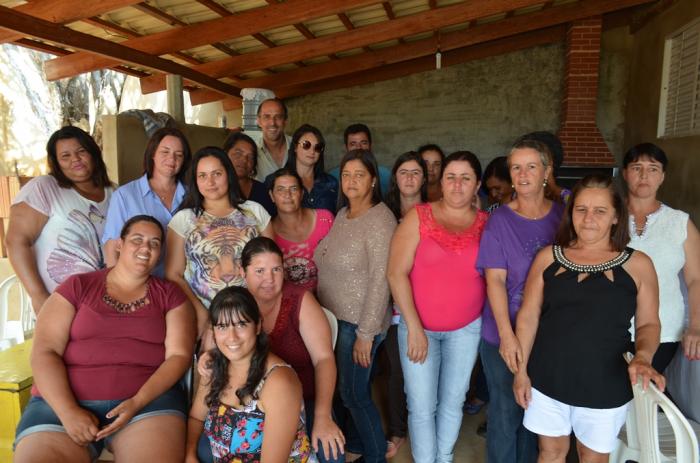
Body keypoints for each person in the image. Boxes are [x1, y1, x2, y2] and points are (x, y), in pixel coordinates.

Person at [14, 215, 195, 462]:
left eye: (154, 243)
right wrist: (68, 412)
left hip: (147, 404)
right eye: (137, 240)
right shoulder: (78, 286)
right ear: (119, 244)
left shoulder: (170, 295)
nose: (145, 248)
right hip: (61, 403)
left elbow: (179, 355)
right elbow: (45, 351)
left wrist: (136, 402)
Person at [514, 175, 664, 462]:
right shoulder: (548, 258)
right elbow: (528, 317)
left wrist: (643, 356)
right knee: (551, 453)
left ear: (616, 216)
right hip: (547, 375)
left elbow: (648, 324)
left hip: (605, 381)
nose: (589, 219)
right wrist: (521, 373)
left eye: (600, 211)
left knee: (592, 456)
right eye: (581, 209)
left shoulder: (638, 265)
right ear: (570, 214)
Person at [388, 151, 488, 462]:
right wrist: (415, 328)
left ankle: (442, 458)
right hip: (419, 329)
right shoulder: (418, 216)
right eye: (451, 177)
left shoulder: (488, 223)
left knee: (453, 401)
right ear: (440, 182)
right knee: (421, 404)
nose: (457, 185)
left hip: (466, 329)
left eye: (466, 178)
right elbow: (396, 272)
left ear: (477, 185)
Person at [476, 137, 565, 463]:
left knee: (537, 416)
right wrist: (507, 336)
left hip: (547, 335)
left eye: (531, 166)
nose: (524, 174)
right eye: (517, 167)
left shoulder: (563, 217)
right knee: (505, 412)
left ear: (546, 171)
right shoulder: (499, 219)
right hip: (502, 332)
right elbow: (495, 280)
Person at [315, 149, 397, 463]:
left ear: (373, 180)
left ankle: (376, 456)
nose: (351, 181)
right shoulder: (342, 215)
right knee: (345, 393)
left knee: (354, 395)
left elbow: (381, 278)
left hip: (358, 325)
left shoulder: (380, 220)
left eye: (359, 175)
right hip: (336, 321)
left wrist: (366, 333)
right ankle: (360, 448)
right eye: (346, 175)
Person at [186, 286, 315, 463]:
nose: (232, 337)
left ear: (258, 325)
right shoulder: (214, 367)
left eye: (241, 324)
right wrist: (190, 455)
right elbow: (196, 418)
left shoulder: (278, 382)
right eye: (222, 326)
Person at [166, 146, 273, 342]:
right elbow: (174, 274)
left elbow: (271, 266)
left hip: (251, 312)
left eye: (217, 174)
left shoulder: (254, 212)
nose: (210, 182)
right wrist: (201, 314)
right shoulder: (184, 219)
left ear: (228, 175)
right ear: (195, 180)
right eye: (203, 176)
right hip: (203, 314)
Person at [7, 126, 113, 314]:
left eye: (81, 151)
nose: (76, 159)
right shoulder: (44, 188)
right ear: (56, 162)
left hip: (107, 302)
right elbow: (16, 241)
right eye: (65, 156)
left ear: (94, 154)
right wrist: (38, 296)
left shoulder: (114, 192)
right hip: (60, 305)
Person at [621, 143, 700, 371]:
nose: (644, 175)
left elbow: (695, 280)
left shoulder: (680, 222)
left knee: (646, 395)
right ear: (625, 173)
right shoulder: (609, 216)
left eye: (653, 168)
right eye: (637, 167)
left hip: (664, 330)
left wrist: (695, 325)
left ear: (662, 176)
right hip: (611, 326)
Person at [382, 151, 428, 458]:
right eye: (403, 172)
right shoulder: (383, 215)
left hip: (429, 307)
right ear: (395, 178)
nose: (409, 178)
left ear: (425, 178)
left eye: (416, 172)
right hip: (391, 308)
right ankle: (398, 431)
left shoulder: (435, 213)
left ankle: (424, 427)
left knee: (425, 375)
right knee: (398, 374)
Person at [102, 127, 191, 277]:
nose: (172, 159)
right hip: (141, 285)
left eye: (179, 155)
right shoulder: (125, 195)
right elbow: (112, 250)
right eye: (165, 152)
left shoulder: (192, 195)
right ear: (153, 154)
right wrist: (117, 288)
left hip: (185, 285)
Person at [268, 169, 334, 292]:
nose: (287, 194)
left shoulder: (325, 219)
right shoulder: (268, 231)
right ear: (272, 196)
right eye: (280, 189)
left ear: (302, 193)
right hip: (292, 303)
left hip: (331, 297)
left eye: (293, 188)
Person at [271, 124, 338, 213]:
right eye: (306, 145)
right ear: (295, 147)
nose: (312, 151)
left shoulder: (331, 183)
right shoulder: (274, 180)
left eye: (317, 147)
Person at [223, 131, 276, 215]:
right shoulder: (214, 189)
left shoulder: (263, 192)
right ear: (225, 154)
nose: (244, 160)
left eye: (250, 157)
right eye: (238, 154)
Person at [252, 98, 292, 181]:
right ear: (259, 121)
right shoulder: (252, 151)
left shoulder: (298, 146)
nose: (272, 123)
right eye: (267, 117)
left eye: (278, 117)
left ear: (285, 121)